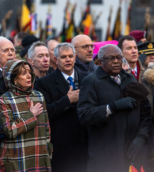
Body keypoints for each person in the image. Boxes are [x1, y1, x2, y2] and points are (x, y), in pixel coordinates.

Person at [77, 44, 152, 172]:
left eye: (119, 57)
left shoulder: (130, 79)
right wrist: (111, 107)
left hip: (132, 153)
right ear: (100, 62)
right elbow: (84, 115)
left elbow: (146, 113)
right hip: (105, 155)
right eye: (111, 58)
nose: (116, 61)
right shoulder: (91, 82)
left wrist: (141, 137)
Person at [34, 43, 87, 172]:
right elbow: (45, 113)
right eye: (63, 57)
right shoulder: (44, 83)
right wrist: (67, 100)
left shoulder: (88, 78)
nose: (68, 59)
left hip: (86, 141)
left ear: (75, 58)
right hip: (62, 143)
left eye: (70, 56)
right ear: (56, 60)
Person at [0, 60, 52, 172]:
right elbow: (9, 130)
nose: (29, 76)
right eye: (23, 73)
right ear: (14, 79)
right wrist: (31, 115)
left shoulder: (39, 96)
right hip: (17, 157)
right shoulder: (5, 99)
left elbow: (46, 129)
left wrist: (48, 151)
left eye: (29, 72)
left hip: (40, 156)